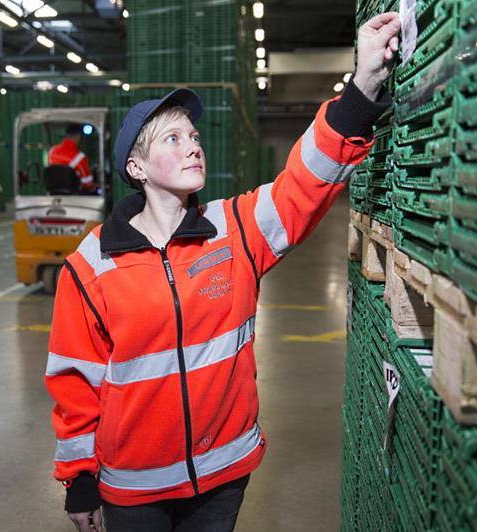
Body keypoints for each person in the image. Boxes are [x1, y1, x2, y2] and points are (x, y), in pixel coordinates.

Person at [45, 12, 401, 532]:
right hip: (134, 484)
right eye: (172, 139)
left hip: (223, 472)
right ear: (136, 168)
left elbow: (307, 182)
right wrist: (79, 479)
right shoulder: (91, 265)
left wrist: (363, 85)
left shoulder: (232, 228)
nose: (193, 144)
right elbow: (75, 379)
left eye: (193, 134)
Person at [49, 123, 97, 191]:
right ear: (78, 136)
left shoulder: (52, 151)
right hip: (74, 195)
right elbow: (87, 183)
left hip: (53, 193)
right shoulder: (80, 157)